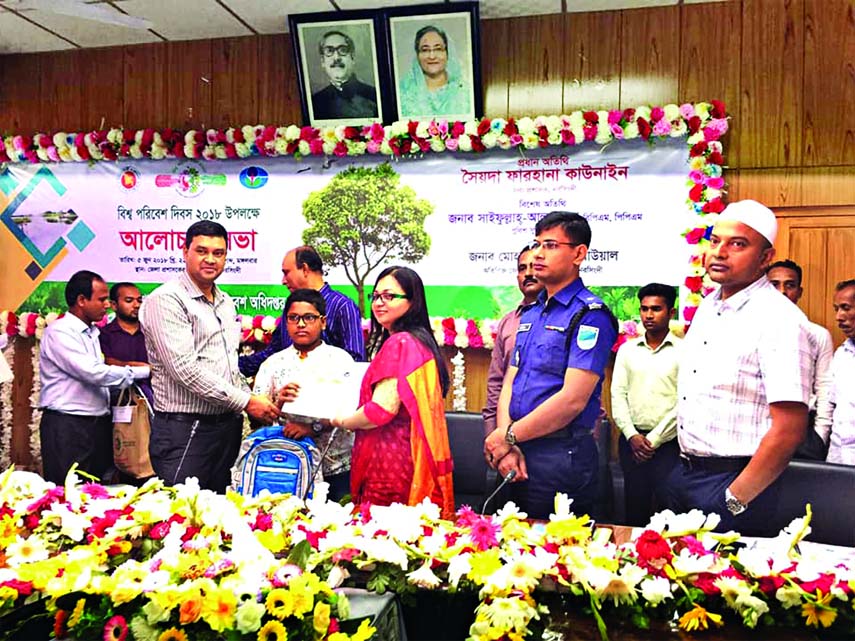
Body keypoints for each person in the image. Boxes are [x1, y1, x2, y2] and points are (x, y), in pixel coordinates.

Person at [674, 200, 812, 535]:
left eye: (738, 244)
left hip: (737, 484)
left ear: (765, 258)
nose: (720, 252)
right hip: (686, 474)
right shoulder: (709, 306)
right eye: (716, 241)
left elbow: (789, 429)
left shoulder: (780, 319)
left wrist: (734, 500)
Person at [483, 211, 618, 520]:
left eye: (551, 245)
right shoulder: (530, 313)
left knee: (558, 559)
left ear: (579, 254)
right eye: (537, 243)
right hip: (516, 451)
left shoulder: (589, 315)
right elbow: (510, 381)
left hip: (560, 458)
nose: (539, 253)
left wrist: (508, 436)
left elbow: (572, 400)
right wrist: (507, 441)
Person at [141, 221, 280, 492]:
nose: (210, 259)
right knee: (182, 517)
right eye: (201, 251)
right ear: (185, 251)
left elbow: (228, 364)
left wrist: (254, 401)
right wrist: (247, 401)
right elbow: (185, 370)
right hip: (186, 429)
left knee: (218, 515)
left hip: (225, 428)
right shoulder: (167, 300)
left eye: (218, 253)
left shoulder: (225, 302)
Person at [330, 266, 455, 518]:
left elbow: (379, 411)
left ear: (412, 301)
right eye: (375, 296)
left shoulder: (400, 343)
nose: (379, 303)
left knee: (384, 538)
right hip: (409, 457)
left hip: (389, 461)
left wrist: (340, 421)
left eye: (389, 296)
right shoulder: (421, 343)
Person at [38, 270, 150, 484]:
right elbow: (94, 373)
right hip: (68, 426)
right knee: (68, 496)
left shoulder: (92, 333)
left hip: (97, 424)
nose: (107, 304)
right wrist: (145, 371)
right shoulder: (60, 332)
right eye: (101, 299)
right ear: (81, 300)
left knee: (96, 494)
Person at [253, 289, 356, 500]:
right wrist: (278, 403)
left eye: (309, 317)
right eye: (293, 318)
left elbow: (351, 414)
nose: (301, 324)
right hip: (286, 466)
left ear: (323, 321)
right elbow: (257, 420)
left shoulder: (341, 361)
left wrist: (312, 428)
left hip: (335, 466)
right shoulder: (272, 364)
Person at [611, 283, 681, 526]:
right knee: (634, 509)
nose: (649, 315)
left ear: (671, 312)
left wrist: (654, 440)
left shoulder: (684, 352)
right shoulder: (628, 350)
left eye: (656, 309)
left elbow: (684, 402)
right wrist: (631, 435)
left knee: (668, 513)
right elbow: (617, 395)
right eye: (644, 309)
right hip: (632, 442)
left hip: (669, 445)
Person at [239, 246, 364, 376]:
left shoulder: (342, 306)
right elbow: (273, 353)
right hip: (287, 393)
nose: (283, 281)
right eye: (294, 318)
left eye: (286, 272)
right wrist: (231, 368)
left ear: (304, 269)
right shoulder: (292, 307)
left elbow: (355, 361)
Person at [766, 259, 834, 459]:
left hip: (803, 431)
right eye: (774, 284)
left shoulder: (818, 334)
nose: (782, 292)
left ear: (800, 291)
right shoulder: (751, 330)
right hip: (757, 426)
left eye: (790, 285)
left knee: (798, 489)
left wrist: (820, 436)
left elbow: (825, 388)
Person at [482, 245, 543, 436]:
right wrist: (493, 434)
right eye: (522, 268)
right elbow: (496, 383)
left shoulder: (568, 317)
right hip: (506, 434)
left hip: (552, 437)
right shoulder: (508, 322)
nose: (528, 273)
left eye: (535, 267)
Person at [99, 282, 154, 407]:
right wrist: (135, 366)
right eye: (129, 301)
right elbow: (104, 364)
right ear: (113, 305)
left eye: (139, 300)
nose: (136, 305)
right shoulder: (103, 334)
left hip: (152, 399)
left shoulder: (152, 332)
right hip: (114, 401)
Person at [398, 25, 470, 119]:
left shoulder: (465, 92)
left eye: (438, 49)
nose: (432, 56)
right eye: (425, 50)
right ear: (417, 55)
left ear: (447, 54)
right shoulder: (403, 94)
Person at [311, 30, 378, 121]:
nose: (336, 57)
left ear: (352, 58)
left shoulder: (374, 96)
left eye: (342, 50)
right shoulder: (315, 102)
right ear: (323, 61)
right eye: (329, 51)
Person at [828, 279, 855, 465]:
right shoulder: (841, 354)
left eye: (846, 308)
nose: (838, 316)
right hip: (838, 458)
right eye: (836, 309)